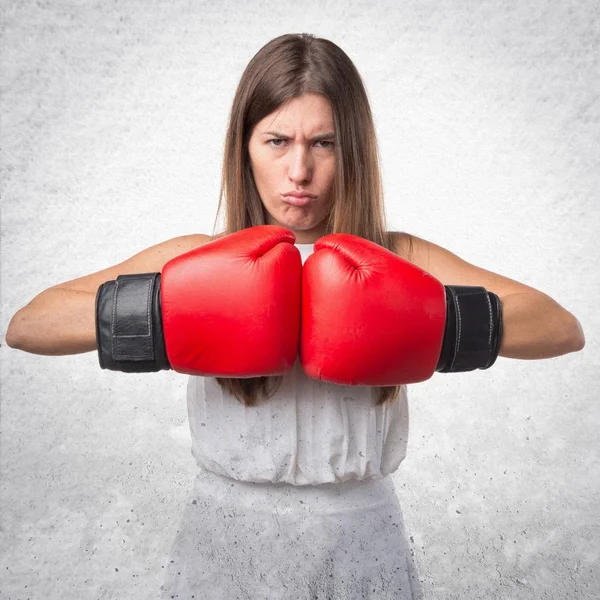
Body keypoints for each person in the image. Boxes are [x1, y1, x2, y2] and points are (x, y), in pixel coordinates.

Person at [6, 33, 585, 599]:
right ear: (245, 148)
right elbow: (30, 324)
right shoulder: (194, 261)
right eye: (277, 141)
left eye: (324, 143)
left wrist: (436, 323)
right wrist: (167, 313)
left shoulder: (399, 258)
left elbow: (559, 326)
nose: (299, 171)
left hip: (362, 538)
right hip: (225, 537)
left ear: (351, 149)